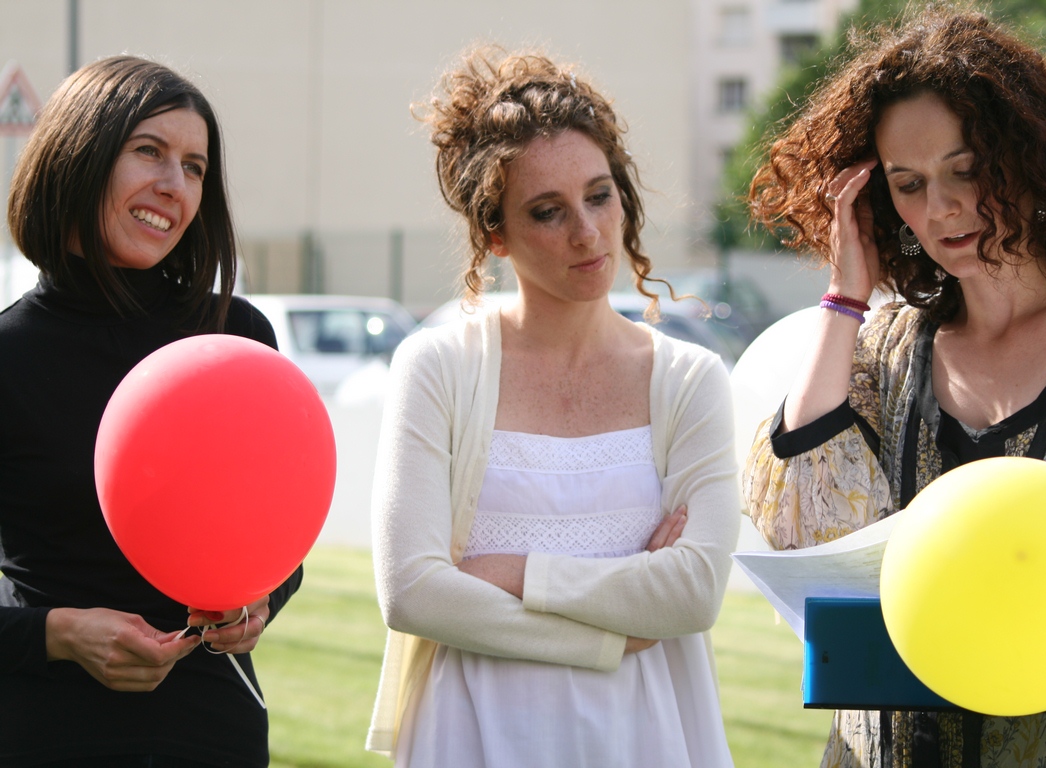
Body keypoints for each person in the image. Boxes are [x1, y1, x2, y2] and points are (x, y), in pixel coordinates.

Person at [744, 6, 1046, 768]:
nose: (941, 208)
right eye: (908, 184)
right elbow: (801, 520)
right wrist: (844, 298)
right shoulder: (886, 346)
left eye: (966, 170)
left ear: (1032, 157)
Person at [365, 48, 741, 767]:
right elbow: (413, 594)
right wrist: (613, 633)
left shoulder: (688, 379)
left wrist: (508, 572)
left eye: (599, 196)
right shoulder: (438, 367)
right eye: (547, 211)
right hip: (471, 732)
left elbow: (692, 594)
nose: (587, 232)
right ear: (494, 233)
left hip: (645, 734)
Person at [0, 55, 301, 767]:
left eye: (195, 167)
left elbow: (279, 534)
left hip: (213, 730)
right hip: (47, 734)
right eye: (148, 151)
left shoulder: (235, 339)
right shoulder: (10, 356)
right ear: (78, 155)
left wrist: (259, 599)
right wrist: (57, 633)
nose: (175, 185)